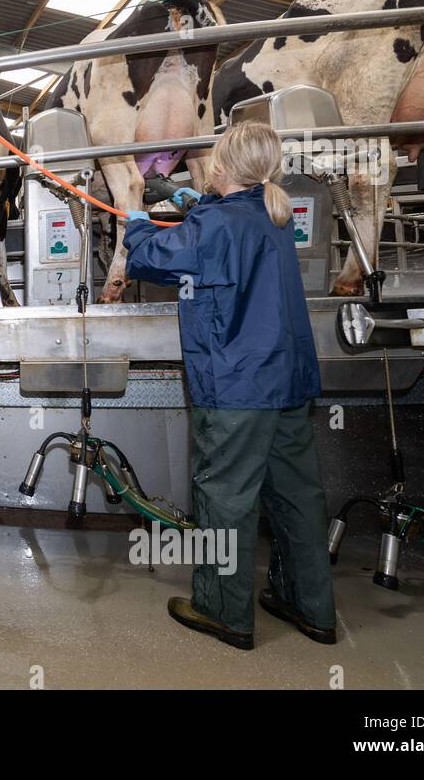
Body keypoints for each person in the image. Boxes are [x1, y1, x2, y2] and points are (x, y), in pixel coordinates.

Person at [123, 121, 336, 651]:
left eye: (215, 161)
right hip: (287, 380)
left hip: (239, 385)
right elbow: (222, 246)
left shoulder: (218, 222)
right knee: (296, 497)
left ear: (224, 168)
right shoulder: (274, 213)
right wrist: (193, 207)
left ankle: (223, 611)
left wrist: (135, 223)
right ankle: (309, 606)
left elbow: (150, 259)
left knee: (226, 498)